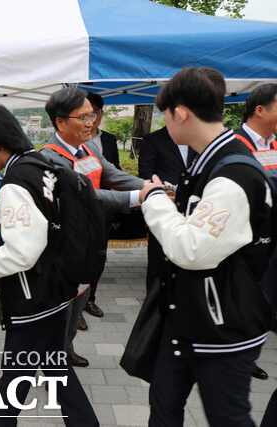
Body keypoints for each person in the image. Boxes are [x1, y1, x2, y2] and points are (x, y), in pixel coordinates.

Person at [140, 67, 274, 427]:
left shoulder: (233, 173)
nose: (166, 124)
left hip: (223, 323)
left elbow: (192, 250)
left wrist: (154, 200)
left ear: (180, 112)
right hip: (186, 314)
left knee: (227, 416)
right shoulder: (211, 160)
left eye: (165, 115)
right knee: (163, 405)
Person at [0, 104, 98, 427]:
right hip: (55, 289)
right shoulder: (40, 166)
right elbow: (42, 221)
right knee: (54, 368)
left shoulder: (14, 182)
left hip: (31, 297)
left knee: (17, 372)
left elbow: (23, 251)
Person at [41, 87, 144, 367]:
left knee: (81, 296)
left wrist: (149, 186)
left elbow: (113, 175)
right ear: (60, 122)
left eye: (93, 116)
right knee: (64, 302)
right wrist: (137, 198)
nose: (91, 123)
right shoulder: (51, 157)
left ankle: (67, 346)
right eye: (83, 117)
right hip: (67, 243)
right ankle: (54, 356)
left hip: (91, 235)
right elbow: (86, 195)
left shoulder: (88, 148)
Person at [234, 83, 277, 381]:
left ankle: (250, 353)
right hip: (246, 239)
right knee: (244, 297)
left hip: (271, 238)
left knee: (265, 298)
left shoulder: (274, 144)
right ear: (259, 110)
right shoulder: (235, 145)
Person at [139, 126, 196, 295]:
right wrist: (161, 191)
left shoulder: (196, 137)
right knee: (158, 257)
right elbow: (145, 173)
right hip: (164, 204)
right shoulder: (153, 139)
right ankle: (153, 299)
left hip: (192, 208)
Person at [86, 93, 121, 169]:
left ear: (102, 113)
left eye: (95, 112)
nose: (92, 117)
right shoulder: (72, 139)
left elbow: (116, 167)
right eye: (87, 113)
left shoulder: (110, 139)